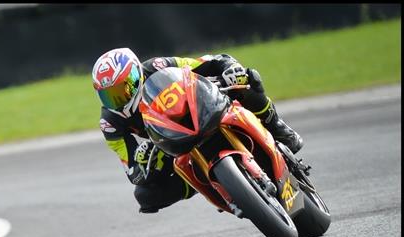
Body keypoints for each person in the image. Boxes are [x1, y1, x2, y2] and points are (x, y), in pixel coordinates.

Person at [92, 48, 303, 213]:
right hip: (169, 145)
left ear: (136, 75)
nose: (118, 101)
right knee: (145, 195)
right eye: (109, 96)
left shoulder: (159, 66)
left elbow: (208, 62)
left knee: (247, 78)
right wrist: (145, 161)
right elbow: (134, 172)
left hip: (199, 108)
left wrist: (229, 68)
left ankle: (277, 126)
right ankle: (212, 186)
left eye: (122, 91)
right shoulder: (111, 123)